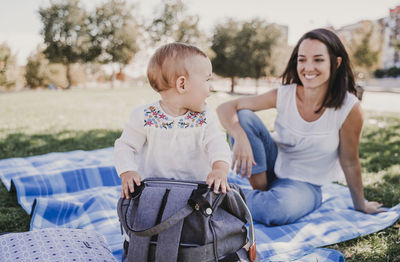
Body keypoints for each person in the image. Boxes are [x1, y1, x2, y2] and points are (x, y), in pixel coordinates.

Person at [216, 28, 386, 226]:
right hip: (271, 166)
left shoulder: (349, 108)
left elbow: (349, 160)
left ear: (336, 63)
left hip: (305, 185)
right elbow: (225, 107)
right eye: (302, 59)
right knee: (243, 116)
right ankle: (258, 193)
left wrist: (360, 204)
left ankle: (217, 197)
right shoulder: (285, 94)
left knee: (276, 210)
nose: (308, 67)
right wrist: (239, 135)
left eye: (318, 60)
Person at [114, 42, 231, 199]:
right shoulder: (144, 116)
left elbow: (217, 144)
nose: (210, 87)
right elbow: (125, 146)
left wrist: (219, 169)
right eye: (206, 80)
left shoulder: (204, 117)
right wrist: (127, 172)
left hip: (196, 196)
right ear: (182, 84)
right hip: (154, 194)